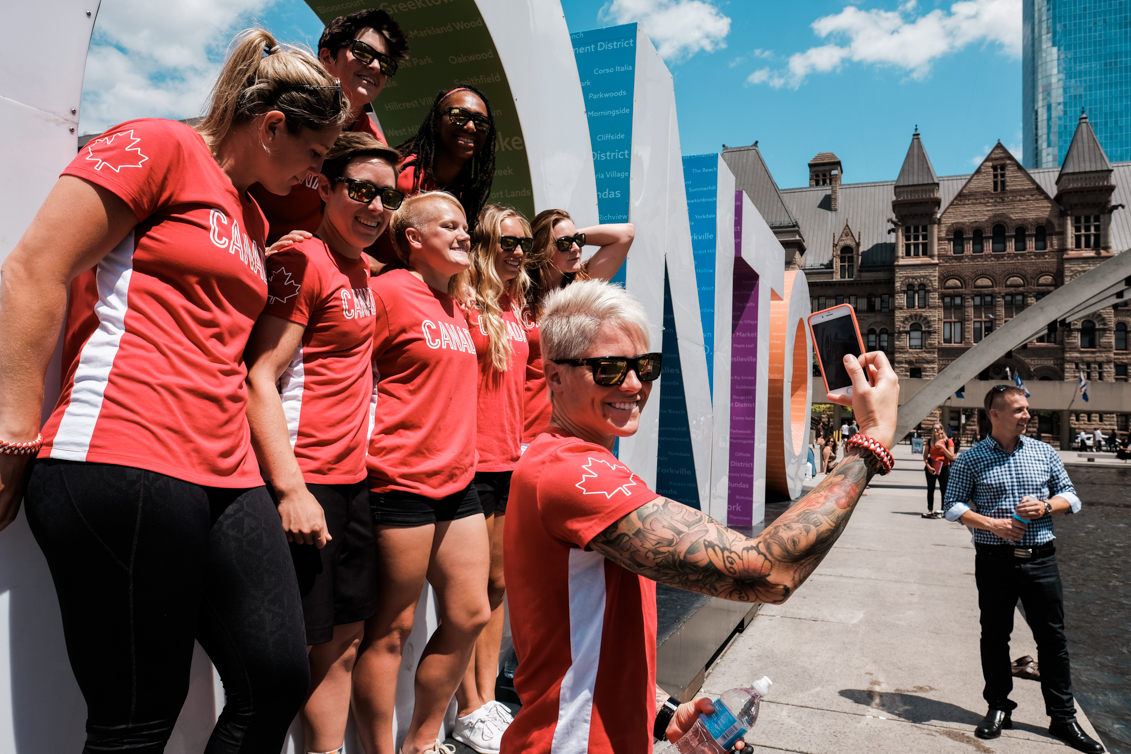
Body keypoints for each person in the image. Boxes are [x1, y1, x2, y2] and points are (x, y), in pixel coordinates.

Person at [0, 29, 349, 752]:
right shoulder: (158, 145)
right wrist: (10, 435)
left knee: (277, 677)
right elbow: (32, 270)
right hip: (119, 452)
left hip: (225, 468)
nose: (316, 178)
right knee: (137, 720)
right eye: (314, 157)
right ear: (272, 125)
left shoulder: (253, 218)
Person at [500, 280, 900, 754]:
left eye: (644, 367)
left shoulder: (574, 462)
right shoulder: (572, 472)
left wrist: (663, 712)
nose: (632, 385)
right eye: (608, 368)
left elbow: (577, 643)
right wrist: (869, 444)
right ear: (553, 377)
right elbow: (766, 570)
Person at [244, 132, 401, 754]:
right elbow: (259, 376)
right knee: (293, 656)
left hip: (351, 481)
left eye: (386, 196)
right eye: (360, 189)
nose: (374, 206)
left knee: (345, 643)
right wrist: (290, 489)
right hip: (304, 486)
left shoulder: (361, 267)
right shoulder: (304, 260)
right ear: (326, 188)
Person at [351, 192, 491, 754]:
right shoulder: (386, 293)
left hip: (459, 482)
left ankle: (423, 741)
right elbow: (346, 370)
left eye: (465, 227)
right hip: (397, 479)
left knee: (470, 612)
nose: (463, 235)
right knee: (392, 629)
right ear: (413, 237)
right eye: (449, 226)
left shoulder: (458, 305)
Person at [943, 386, 1103, 753]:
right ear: (994, 414)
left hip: (1041, 558)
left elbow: (1071, 496)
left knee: (1053, 640)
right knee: (995, 636)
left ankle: (1062, 718)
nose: (1027, 415)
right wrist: (991, 524)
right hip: (995, 560)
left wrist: (1047, 507)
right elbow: (952, 506)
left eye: (1027, 409)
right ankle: (999, 707)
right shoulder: (971, 458)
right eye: (1018, 410)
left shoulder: (1044, 452)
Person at [451, 205, 533, 753]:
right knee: (470, 597)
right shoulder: (459, 297)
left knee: (498, 586)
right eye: (506, 242)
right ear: (482, 244)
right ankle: (469, 706)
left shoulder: (514, 304)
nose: (518, 251)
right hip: (469, 462)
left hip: (510, 459)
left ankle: (485, 700)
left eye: (523, 242)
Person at [251, 8, 409, 244]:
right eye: (363, 52)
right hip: (241, 243)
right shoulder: (282, 103)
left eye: (385, 63)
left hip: (302, 265)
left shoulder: (374, 146)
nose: (376, 66)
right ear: (326, 58)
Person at [521, 209, 635, 444]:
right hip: (527, 428)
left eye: (578, 241)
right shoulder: (517, 292)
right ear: (543, 246)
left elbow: (625, 234)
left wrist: (571, 235)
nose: (575, 248)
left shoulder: (578, 288)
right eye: (564, 243)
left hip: (573, 430)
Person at [922, 423, 955, 518]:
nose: (934, 430)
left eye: (936, 429)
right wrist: (928, 466)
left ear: (941, 430)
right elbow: (925, 456)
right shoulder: (929, 441)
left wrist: (942, 447)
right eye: (933, 429)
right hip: (932, 467)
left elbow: (951, 456)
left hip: (944, 468)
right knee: (930, 489)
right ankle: (930, 510)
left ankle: (944, 510)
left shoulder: (948, 441)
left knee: (944, 489)